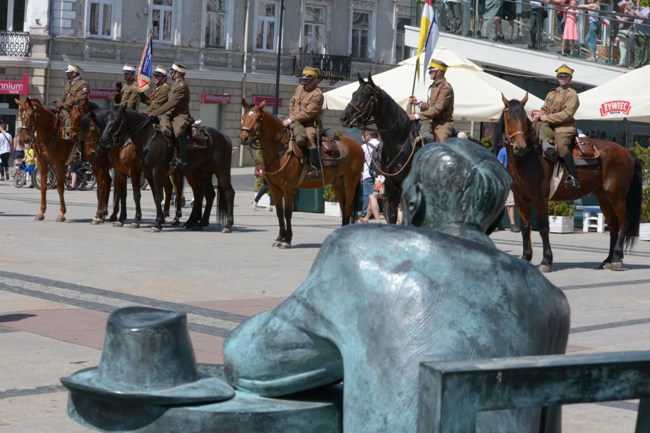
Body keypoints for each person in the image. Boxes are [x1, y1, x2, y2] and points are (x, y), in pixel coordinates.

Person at [224, 138, 570, 433]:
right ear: (493, 218)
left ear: (414, 201)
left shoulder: (361, 253)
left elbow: (252, 364)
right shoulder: (549, 299)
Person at [538, 64, 581, 189]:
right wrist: (540, 116)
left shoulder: (572, 94)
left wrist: (548, 118)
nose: (562, 78)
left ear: (570, 78)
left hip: (564, 127)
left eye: (565, 76)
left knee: (562, 148)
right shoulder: (552, 93)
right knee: (535, 134)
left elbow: (567, 114)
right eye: (560, 76)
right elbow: (543, 108)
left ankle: (574, 178)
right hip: (549, 125)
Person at [282, 66, 324, 178]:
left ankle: (316, 167)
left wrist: (291, 119)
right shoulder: (300, 88)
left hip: (309, 124)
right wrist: (291, 117)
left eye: (307, 80)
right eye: (303, 79)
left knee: (309, 138)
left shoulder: (317, 94)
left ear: (314, 80)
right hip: (294, 120)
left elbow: (308, 113)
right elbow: (292, 102)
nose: (304, 82)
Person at [150, 62, 192, 170]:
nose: (171, 74)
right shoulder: (175, 84)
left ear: (178, 73)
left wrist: (154, 113)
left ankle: (182, 159)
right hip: (171, 113)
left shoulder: (182, 86)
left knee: (177, 131)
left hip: (180, 115)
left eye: (172, 72)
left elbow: (171, 104)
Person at [408, 59, 454, 143]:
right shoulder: (434, 87)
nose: (429, 73)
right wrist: (418, 102)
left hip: (442, 125)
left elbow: (437, 109)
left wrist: (416, 116)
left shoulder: (446, 88)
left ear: (438, 71)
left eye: (431, 71)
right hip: (430, 123)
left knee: (440, 149)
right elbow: (431, 107)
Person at [55, 63, 90, 140]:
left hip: (76, 109)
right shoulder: (68, 84)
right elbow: (64, 96)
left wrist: (64, 105)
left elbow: (78, 99)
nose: (67, 74)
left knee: (69, 116)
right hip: (66, 107)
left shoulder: (83, 84)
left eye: (68, 73)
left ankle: (69, 134)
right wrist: (59, 103)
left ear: (73, 73)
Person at [497, 145, 521, 232]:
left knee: (504, 203)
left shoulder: (509, 151)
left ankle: (499, 223)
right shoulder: (504, 151)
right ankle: (512, 224)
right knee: (509, 203)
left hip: (512, 180)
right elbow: (499, 165)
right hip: (506, 180)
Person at [360, 130, 382, 223]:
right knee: (375, 195)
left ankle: (376, 219)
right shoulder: (382, 145)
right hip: (381, 175)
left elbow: (360, 161)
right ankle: (366, 217)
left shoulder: (364, 147)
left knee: (371, 197)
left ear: (367, 135)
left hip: (368, 174)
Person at [615, 2, 635, 67]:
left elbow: (623, 20)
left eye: (625, 7)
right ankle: (626, 63)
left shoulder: (628, 13)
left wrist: (616, 15)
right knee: (626, 47)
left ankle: (622, 62)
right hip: (628, 32)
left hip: (626, 32)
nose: (624, 9)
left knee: (622, 46)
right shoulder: (631, 13)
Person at [632, 2, 650, 68]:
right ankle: (637, 64)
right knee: (637, 49)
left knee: (644, 50)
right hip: (636, 32)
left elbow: (643, 17)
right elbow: (635, 16)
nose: (636, 2)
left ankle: (644, 65)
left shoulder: (647, 9)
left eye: (637, 1)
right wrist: (630, 12)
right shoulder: (637, 10)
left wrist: (635, 13)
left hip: (644, 33)